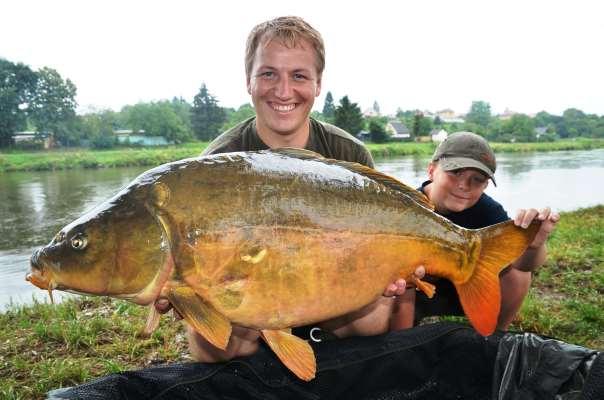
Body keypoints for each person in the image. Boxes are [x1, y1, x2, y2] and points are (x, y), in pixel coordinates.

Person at [154, 15, 423, 363]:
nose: (283, 91)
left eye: (298, 76)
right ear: (249, 81)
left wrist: (387, 270)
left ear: (317, 84)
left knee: (372, 318)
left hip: (324, 285)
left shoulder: (349, 153)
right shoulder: (216, 164)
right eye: (268, 74)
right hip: (251, 296)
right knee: (210, 347)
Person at [390, 131, 560, 331]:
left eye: (477, 179)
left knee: (516, 274)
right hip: (413, 296)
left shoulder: (489, 211)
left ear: (486, 185)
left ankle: (494, 337)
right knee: (396, 276)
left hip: (470, 293)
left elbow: (524, 265)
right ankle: (400, 343)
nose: (463, 185)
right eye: (455, 172)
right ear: (431, 170)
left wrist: (533, 246)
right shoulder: (405, 208)